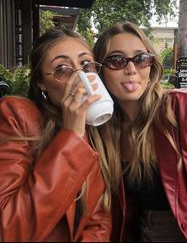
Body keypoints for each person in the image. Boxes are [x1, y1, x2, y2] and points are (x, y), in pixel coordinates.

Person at [91, 22, 187, 242]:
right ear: (99, 72)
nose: (131, 69)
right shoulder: (102, 128)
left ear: (151, 66)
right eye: (116, 60)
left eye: (140, 59)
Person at [0, 29, 111, 241]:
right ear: (41, 83)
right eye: (62, 68)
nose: (80, 76)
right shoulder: (16, 115)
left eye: (86, 65)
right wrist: (72, 137)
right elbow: (8, 228)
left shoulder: (97, 131)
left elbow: (98, 220)